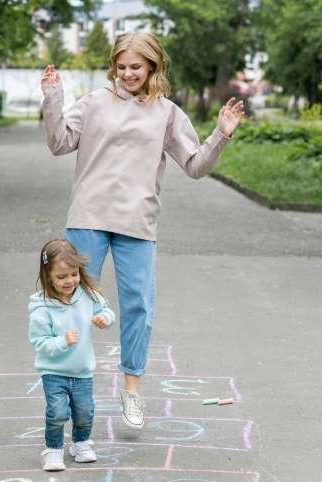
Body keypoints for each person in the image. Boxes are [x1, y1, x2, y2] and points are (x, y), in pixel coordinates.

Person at [40, 32, 244, 431]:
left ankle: (131, 387)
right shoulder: (96, 102)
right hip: (89, 216)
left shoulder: (167, 113)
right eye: (122, 66)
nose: (128, 73)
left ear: (152, 66)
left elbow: (195, 166)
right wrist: (53, 98)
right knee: (74, 306)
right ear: (113, 66)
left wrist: (221, 133)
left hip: (138, 221)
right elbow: (59, 142)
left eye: (136, 66)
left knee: (139, 308)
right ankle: (66, 386)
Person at [28, 239, 115, 471]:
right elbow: (40, 342)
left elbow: (106, 310)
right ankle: (53, 449)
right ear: (48, 277)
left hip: (82, 370)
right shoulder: (42, 308)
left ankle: (81, 443)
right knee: (57, 413)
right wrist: (62, 341)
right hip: (54, 371)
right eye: (61, 277)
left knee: (84, 412)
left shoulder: (87, 295)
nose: (70, 281)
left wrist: (105, 319)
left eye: (74, 274)